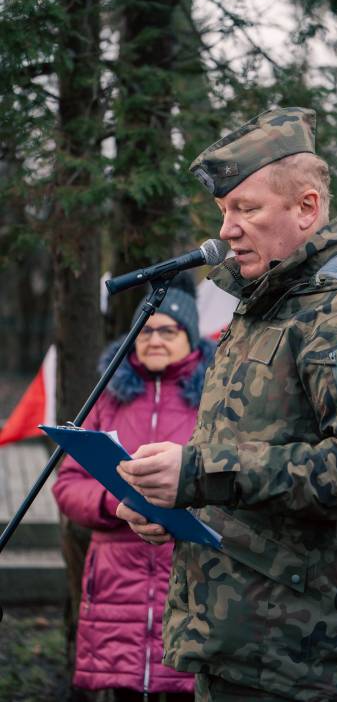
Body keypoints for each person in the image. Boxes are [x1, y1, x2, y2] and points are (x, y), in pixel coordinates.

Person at [115, 107, 337, 702]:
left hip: (303, 657)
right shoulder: (266, 306)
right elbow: (250, 461)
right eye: (224, 212)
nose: (227, 229)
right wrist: (174, 502)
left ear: (306, 209)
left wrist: (200, 473)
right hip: (234, 640)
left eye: (247, 209)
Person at [53, 273, 215, 702]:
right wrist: (114, 503)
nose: (154, 339)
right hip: (115, 587)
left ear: (191, 337)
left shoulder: (217, 399)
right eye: (145, 330)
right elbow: (68, 484)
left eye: (168, 330)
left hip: (190, 580)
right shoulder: (106, 398)